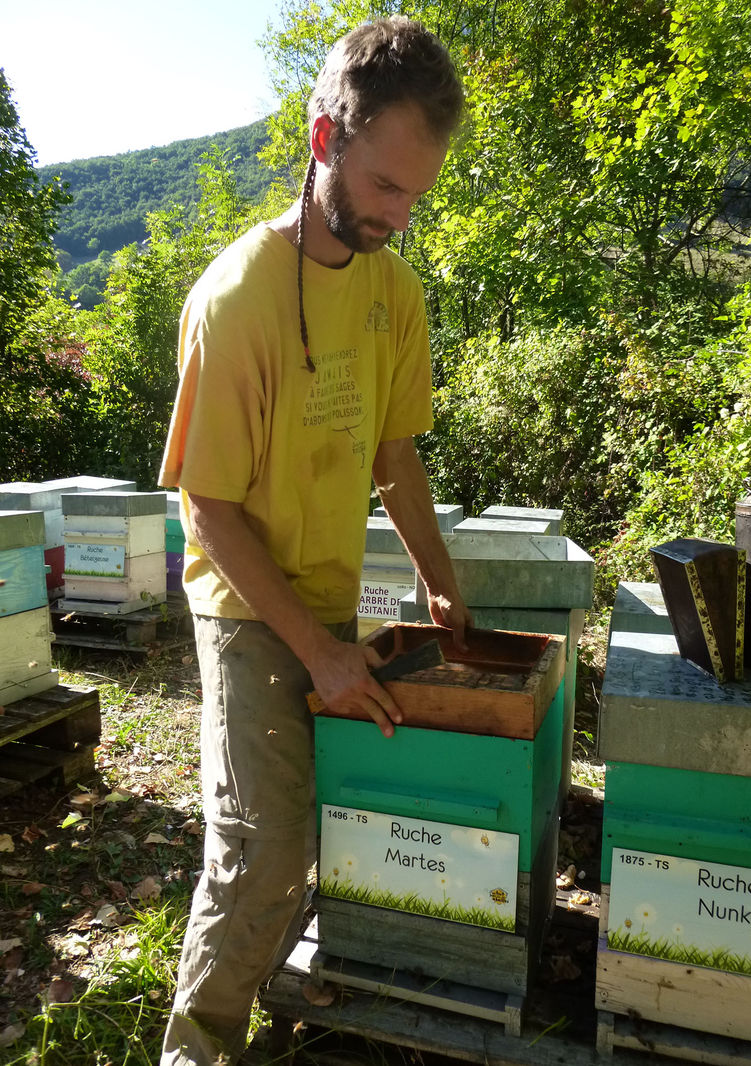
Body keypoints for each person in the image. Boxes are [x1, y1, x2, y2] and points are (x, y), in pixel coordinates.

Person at [157, 15, 471, 1066]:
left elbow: (395, 456)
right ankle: (193, 1051)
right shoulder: (237, 296)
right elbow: (206, 508)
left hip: (333, 595)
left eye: (417, 195)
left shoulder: (396, 293)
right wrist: (320, 652)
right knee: (262, 851)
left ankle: (274, 990)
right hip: (246, 601)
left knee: (324, 825)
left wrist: (441, 585)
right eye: (386, 187)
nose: (400, 216)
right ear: (324, 139)